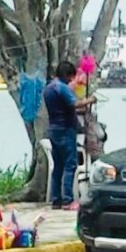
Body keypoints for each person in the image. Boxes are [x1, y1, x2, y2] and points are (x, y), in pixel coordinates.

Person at [43, 61, 96, 210]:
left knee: (58, 166)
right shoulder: (62, 87)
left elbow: (63, 107)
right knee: (70, 164)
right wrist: (89, 100)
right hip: (65, 130)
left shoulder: (48, 88)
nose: (72, 80)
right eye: (71, 77)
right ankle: (68, 200)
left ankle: (56, 200)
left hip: (53, 129)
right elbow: (74, 104)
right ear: (67, 75)